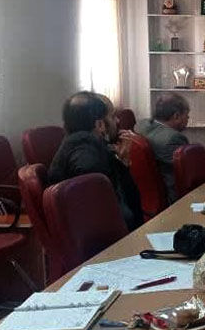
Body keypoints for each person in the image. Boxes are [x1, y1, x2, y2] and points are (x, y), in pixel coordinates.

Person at [48, 91, 144, 230]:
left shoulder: (80, 143)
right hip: (104, 244)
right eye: (112, 116)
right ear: (99, 124)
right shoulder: (85, 156)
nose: (117, 121)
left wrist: (122, 162)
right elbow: (107, 213)